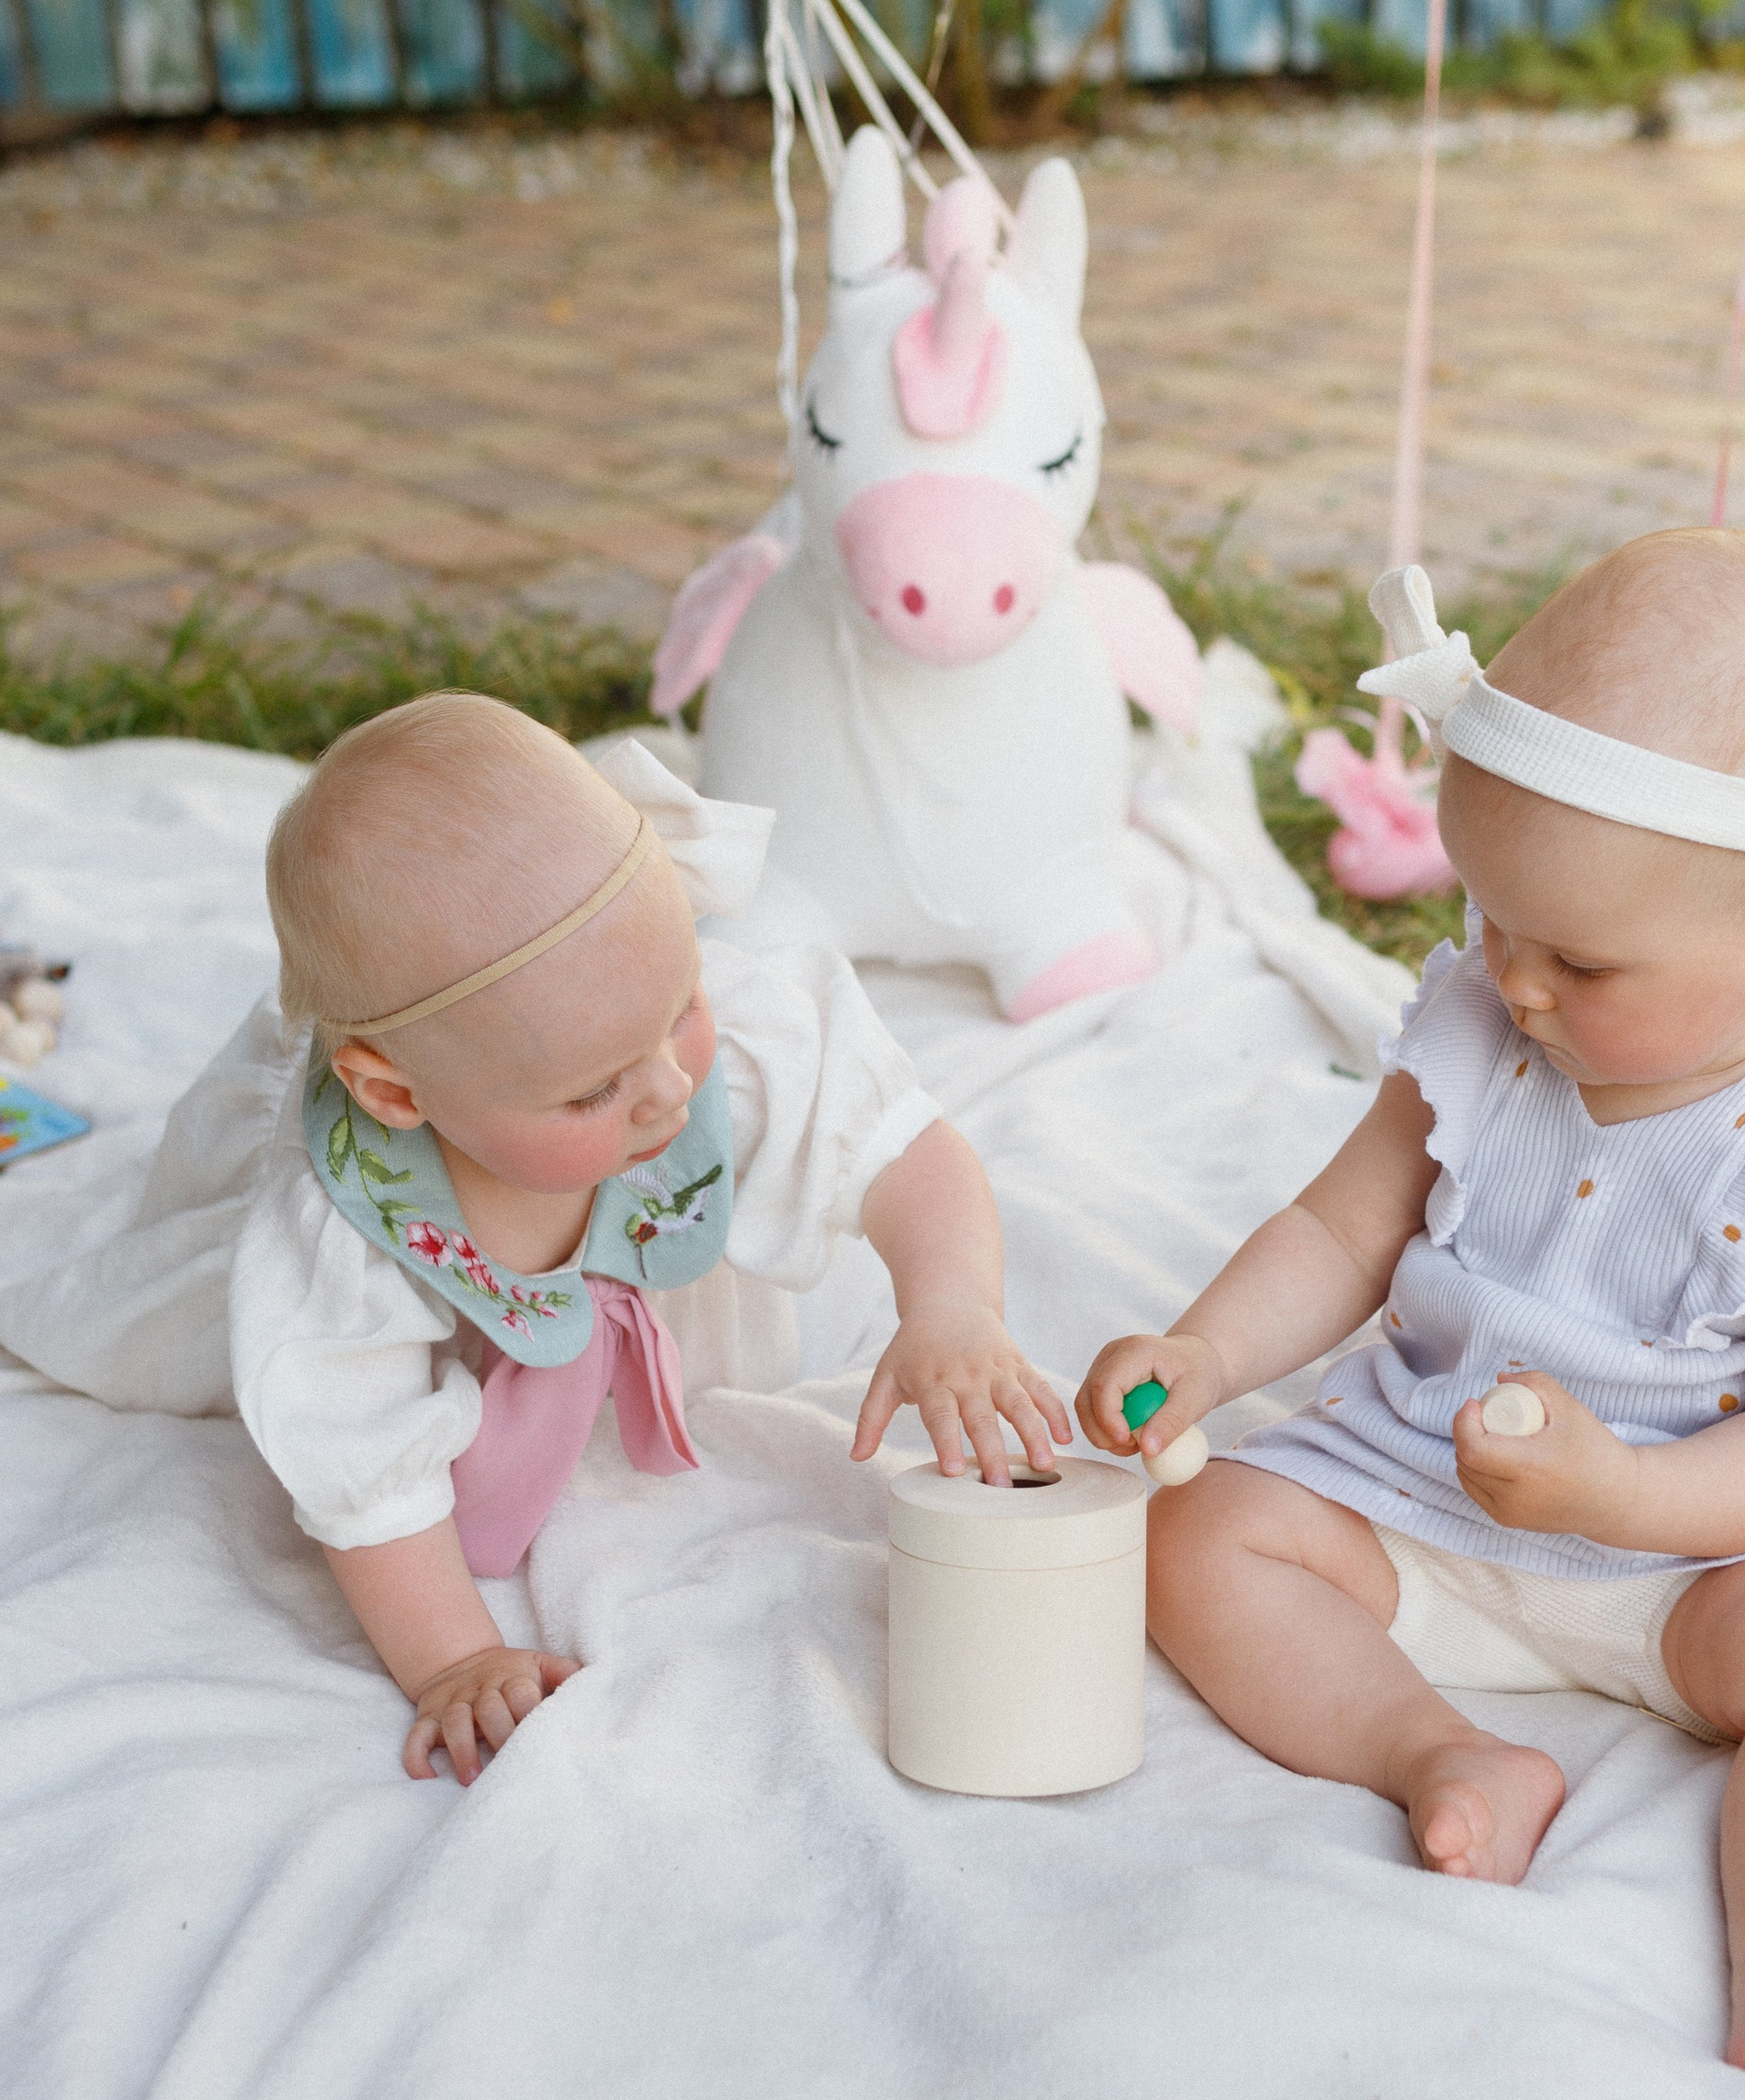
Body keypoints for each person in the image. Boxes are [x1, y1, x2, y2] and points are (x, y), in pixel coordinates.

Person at [1080, 531, 1745, 2089]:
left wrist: (1629, 1493)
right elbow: (1343, 1226)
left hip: (1719, 1556)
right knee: (1194, 1535)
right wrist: (1205, 1352)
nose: (1517, 987)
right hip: (1428, 1494)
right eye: (1494, 923)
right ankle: (1438, 1753)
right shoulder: (1488, 1015)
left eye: (1578, 961)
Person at [0, 696, 1067, 1784]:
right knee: (175, 1335)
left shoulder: (693, 1030)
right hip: (380, 1243)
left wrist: (951, 1304)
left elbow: (897, 1146)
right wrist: (456, 1657)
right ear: (397, 1092)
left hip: (583, 1200)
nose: (665, 1088)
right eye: (594, 1089)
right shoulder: (347, 1217)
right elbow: (357, 1460)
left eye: (678, 1007)